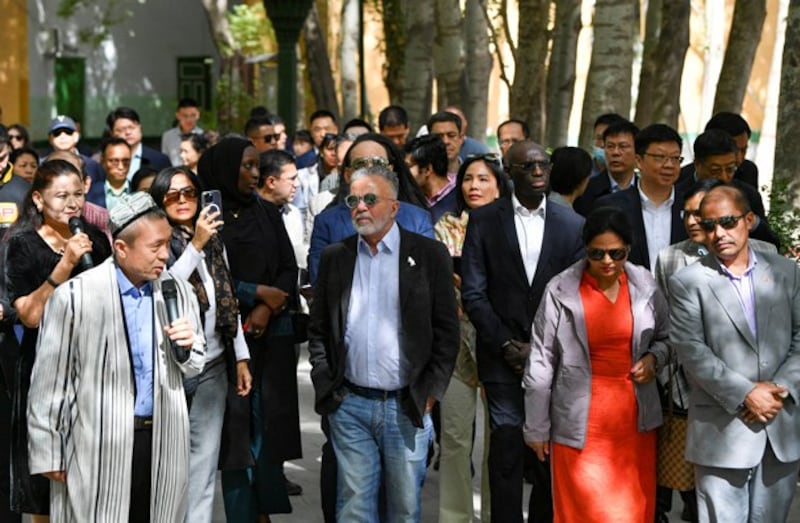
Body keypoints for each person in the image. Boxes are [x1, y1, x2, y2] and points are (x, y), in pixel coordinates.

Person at [26, 191, 205, 522]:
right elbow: (50, 382)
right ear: (121, 248)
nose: (165, 255)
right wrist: (50, 451)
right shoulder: (75, 296)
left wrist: (190, 344)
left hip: (163, 438)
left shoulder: (177, 290)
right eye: (155, 247)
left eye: (167, 244)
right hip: (97, 441)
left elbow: (195, 365)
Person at [308, 164, 459, 522]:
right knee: (355, 507)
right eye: (353, 199)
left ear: (394, 207)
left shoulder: (429, 256)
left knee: (404, 509)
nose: (359, 207)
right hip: (351, 405)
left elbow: (446, 331)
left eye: (370, 199)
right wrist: (327, 384)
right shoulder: (336, 257)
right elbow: (319, 330)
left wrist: (430, 393)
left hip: (407, 406)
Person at [461, 140, 585, 522]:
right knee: (507, 447)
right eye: (528, 166)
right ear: (510, 172)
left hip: (555, 359)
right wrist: (505, 343)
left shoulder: (572, 225)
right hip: (502, 357)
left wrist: (542, 348)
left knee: (547, 452)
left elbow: (576, 296)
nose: (537, 172)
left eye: (543, 165)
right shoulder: (484, 220)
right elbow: (474, 291)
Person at [524, 206, 667, 522]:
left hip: (634, 420)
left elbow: (668, 339)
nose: (607, 262)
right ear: (585, 249)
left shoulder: (645, 284)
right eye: (596, 253)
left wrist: (654, 358)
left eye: (616, 253)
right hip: (577, 425)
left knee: (629, 511)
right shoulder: (560, 289)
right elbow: (541, 360)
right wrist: (536, 426)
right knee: (581, 511)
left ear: (628, 249)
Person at [669, 185, 800, 522]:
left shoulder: (786, 272)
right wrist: (746, 394)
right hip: (722, 427)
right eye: (709, 225)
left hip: (779, 423)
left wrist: (778, 390)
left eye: (728, 222)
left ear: (750, 220)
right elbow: (691, 350)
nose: (719, 233)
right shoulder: (688, 281)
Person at [197, 137, 300, 521]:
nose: (256, 174)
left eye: (258, 165)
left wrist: (266, 310)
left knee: (269, 429)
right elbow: (207, 276)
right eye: (247, 166)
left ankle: (266, 512)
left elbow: (289, 268)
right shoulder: (207, 217)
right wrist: (251, 296)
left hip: (272, 335)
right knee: (236, 439)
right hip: (226, 339)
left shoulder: (266, 212)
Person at [5, 160, 112, 521]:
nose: (72, 204)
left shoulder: (95, 241)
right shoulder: (21, 244)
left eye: (78, 195)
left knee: (90, 480)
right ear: (37, 199)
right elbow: (30, 316)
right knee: (46, 490)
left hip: (93, 367)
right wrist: (64, 264)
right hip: (43, 368)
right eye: (61, 196)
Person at [149, 167, 252, 523]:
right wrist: (195, 245)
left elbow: (228, 298)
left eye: (190, 193)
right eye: (173, 195)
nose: (182, 200)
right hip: (173, 367)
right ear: (159, 199)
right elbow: (165, 287)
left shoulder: (212, 238)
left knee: (205, 465)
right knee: (171, 466)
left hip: (213, 363)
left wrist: (240, 355)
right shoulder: (155, 239)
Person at [435, 153, 510, 523]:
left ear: (499, 185)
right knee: (454, 439)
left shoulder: (513, 227)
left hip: (501, 344)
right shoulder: (444, 227)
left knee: (499, 443)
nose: (474, 186)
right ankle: (455, 517)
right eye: (468, 179)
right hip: (456, 346)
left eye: (483, 179)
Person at [308, 133, 433, 285]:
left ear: (391, 171)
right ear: (347, 175)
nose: (370, 172)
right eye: (360, 165)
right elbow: (319, 283)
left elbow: (428, 280)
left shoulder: (417, 219)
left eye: (378, 164)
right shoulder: (327, 223)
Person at [594, 124, 687, 270]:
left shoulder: (690, 207)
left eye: (675, 158)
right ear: (639, 161)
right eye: (660, 157)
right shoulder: (611, 207)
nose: (669, 165)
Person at [573, 119, 639, 217]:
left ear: (637, 151)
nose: (615, 153)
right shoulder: (585, 191)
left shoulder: (646, 191)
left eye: (623, 146)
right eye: (610, 146)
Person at [107, 106, 171, 178]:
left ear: (139, 127)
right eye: (122, 129)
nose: (128, 132)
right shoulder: (104, 161)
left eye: (131, 127)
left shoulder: (160, 160)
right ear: (112, 133)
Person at [406, 134, 456, 222]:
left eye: (408, 167)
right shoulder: (410, 198)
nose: (404, 172)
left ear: (427, 170)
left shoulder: (461, 194)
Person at [161, 97, 203, 166]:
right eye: (185, 116)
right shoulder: (168, 136)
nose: (189, 120)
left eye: (193, 115)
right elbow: (164, 161)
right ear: (177, 115)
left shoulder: (202, 135)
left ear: (198, 115)